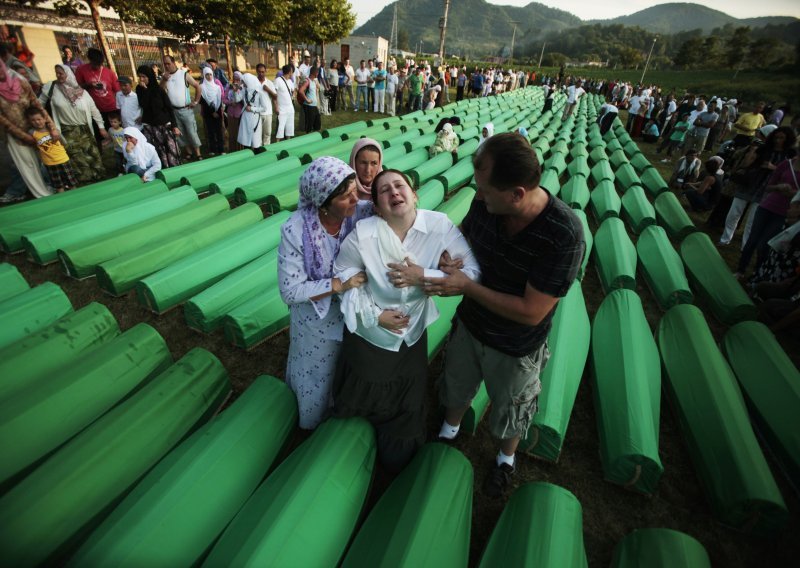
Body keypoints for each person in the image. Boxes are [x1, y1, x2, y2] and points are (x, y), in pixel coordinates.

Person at [424, 133, 585, 498]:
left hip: (515, 346)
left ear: (517, 194)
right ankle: (448, 431)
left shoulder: (563, 235)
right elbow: (464, 237)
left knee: (512, 408)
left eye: (484, 189)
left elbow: (531, 312)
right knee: (457, 384)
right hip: (471, 326)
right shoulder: (488, 203)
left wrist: (466, 287)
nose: (477, 196)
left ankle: (504, 460)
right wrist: (453, 256)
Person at [332, 169, 480, 471]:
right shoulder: (363, 235)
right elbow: (342, 279)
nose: (394, 192)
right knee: (366, 388)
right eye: (384, 191)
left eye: (400, 186)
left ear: (415, 195)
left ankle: (396, 458)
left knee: (406, 397)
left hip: (411, 333)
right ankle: (349, 449)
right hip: (370, 333)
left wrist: (425, 275)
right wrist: (376, 316)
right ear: (376, 206)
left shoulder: (439, 227)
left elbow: (472, 274)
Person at [277, 156, 372, 429]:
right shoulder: (295, 230)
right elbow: (290, 290)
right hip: (314, 320)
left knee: (343, 368)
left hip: (348, 311)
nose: (356, 199)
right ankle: (309, 424)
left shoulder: (358, 212)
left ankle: (336, 413)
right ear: (323, 203)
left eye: (355, 190)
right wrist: (338, 285)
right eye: (346, 196)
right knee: (316, 373)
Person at [719, 127, 797, 246]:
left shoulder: (789, 154)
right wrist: (752, 152)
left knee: (752, 220)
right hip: (749, 183)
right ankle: (725, 239)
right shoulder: (764, 148)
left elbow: (788, 173)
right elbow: (746, 164)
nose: (778, 140)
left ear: (787, 139)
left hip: (767, 188)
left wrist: (773, 167)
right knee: (734, 213)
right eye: (776, 137)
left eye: (781, 138)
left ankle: (746, 245)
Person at [39, 64, 107, 184]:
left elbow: (93, 109)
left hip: (84, 128)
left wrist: (101, 127)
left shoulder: (81, 91)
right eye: (57, 73)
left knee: (92, 154)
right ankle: (84, 180)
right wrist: (43, 123)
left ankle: (98, 176)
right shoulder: (52, 88)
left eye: (61, 73)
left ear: (68, 73)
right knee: (77, 157)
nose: (58, 75)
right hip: (67, 129)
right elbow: (39, 105)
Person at [736, 156, 800, 278]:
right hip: (767, 207)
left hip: (785, 213)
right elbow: (769, 186)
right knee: (752, 240)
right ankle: (741, 270)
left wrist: (795, 193)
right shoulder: (786, 164)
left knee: (765, 245)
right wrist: (778, 187)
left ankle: (757, 273)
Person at [135, 64, 181, 168]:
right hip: (150, 125)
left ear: (149, 76)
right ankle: (163, 168)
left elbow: (169, 108)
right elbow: (144, 105)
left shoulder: (159, 89)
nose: (141, 79)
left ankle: (175, 168)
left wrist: (174, 125)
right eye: (140, 76)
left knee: (171, 148)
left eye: (144, 76)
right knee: (157, 149)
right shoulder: (140, 89)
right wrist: (145, 90)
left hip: (164, 124)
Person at [25, 106, 76, 192]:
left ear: (44, 119)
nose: (37, 122)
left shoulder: (53, 130)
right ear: (29, 122)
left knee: (71, 183)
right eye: (33, 120)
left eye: (39, 119)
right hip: (49, 163)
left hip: (63, 159)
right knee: (58, 185)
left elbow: (64, 142)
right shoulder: (32, 133)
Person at [161, 55, 202, 161]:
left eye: (168, 63)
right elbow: (160, 91)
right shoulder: (164, 76)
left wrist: (196, 101)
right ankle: (188, 152)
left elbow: (197, 86)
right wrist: (164, 80)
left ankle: (198, 153)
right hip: (173, 110)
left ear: (174, 63)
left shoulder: (183, 74)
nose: (166, 66)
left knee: (191, 131)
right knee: (180, 133)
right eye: (164, 64)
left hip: (186, 109)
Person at [74, 47, 119, 134]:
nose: (98, 67)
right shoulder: (81, 70)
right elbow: (77, 87)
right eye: (95, 64)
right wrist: (89, 84)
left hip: (111, 107)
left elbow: (117, 90)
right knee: (99, 132)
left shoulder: (109, 72)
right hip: (94, 108)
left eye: (100, 64)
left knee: (115, 131)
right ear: (90, 60)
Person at [199, 66, 224, 156]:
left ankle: (221, 149)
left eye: (210, 74)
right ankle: (212, 149)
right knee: (210, 132)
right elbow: (202, 102)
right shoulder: (201, 87)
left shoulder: (217, 87)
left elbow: (219, 100)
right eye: (207, 75)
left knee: (219, 131)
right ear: (204, 76)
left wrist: (216, 111)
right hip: (208, 113)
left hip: (217, 113)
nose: (209, 77)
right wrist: (212, 112)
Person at [238, 72, 265, 150]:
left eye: (244, 81)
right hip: (245, 117)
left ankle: (256, 155)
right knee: (246, 140)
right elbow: (237, 99)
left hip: (254, 117)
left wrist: (252, 109)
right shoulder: (244, 90)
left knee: (255, 140)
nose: (242, 83)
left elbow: (264, 108)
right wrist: (236, 91)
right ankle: (247, 155)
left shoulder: (259, 92)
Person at [223, 71, 244, 152]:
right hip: (231, 114)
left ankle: (240, 150)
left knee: (239, 133)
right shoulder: (229, 87)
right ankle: (233, 150)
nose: (236, 81)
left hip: (240, 115)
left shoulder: (243, 88)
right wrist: (231, 102)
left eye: (238, 80)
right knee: (232, 133)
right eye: (235, 79)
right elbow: (224, 99)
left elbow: (245, 101)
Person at [274, 64, 295, 142]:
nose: (292, 74)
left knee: (289, 127)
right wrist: (276, 106)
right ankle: (277, 143)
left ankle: (288, 143)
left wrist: (293, 93)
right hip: (282, 108)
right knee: (280, 128)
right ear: (289, 72)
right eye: (292, 72)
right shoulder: (278, 80)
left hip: (290, 108)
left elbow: (293, 91)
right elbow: (274, 95)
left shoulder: (290, 81)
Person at [298, 66, 321, 133]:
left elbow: (316, 90)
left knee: (317, 123)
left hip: (314, 106)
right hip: (309, 106)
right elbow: (301, 91)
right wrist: (307, 100)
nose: (318, 74)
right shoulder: (307, 81)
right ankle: (308, 137)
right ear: (315, 73)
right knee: (309, 125)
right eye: (317, 72)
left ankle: (315, 137)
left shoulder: (314, 81)